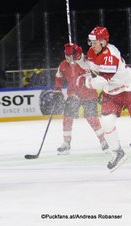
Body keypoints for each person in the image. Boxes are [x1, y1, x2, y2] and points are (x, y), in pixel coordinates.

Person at [75, 26, 130, 171]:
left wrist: (85, 82)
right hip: (111, 93)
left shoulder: (111, 55)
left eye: (95, 42)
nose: (92, 45)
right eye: (91, 42)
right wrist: (78, 57)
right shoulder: (93, 51)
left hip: (128, 88)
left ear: (104, 42)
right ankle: (118, 152)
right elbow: (90, 67)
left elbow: (102, 80)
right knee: (106, 122)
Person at [55, 43, 109, 155]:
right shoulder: (64, 64)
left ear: (77, 54)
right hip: (73, 95)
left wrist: (103, 90)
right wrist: (58, 90)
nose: (67, 59)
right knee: (67, 119)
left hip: (89, 94)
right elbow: (58, 76)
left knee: (92, 118)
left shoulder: (88, 62)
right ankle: (66, 143)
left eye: (69, 56)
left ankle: (103, 141)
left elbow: (100, 76)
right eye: (66, 56)